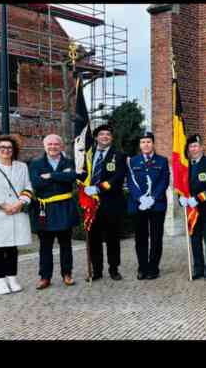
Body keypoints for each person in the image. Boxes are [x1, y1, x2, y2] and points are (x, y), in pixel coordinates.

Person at [29, 134, 85, 290]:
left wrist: (51, 175)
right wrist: (61, 177)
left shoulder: (69, 162)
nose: (53, 147)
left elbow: (73, 177)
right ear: (44, 146)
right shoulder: (36, 163)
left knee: (66, 244)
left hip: (64, 207)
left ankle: (67, 274)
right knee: (45, 246)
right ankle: (45, 277)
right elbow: (37, 183)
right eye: (50, 144)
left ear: (61, 146)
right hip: (44, 210)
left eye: (56, 144)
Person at [0, 135, 33, 294]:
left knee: (12, 248)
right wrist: (3, 205)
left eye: (9, 148)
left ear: (14, 150)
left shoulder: (22, 166)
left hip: (17, 212)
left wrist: (19, 203)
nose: (6, 150)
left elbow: (28, 187)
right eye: (2, 147)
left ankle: (12, 277)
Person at [84, 124, 127, 281]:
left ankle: (114, 269)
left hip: (111, 203)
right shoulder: (88, 155)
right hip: (91, 204)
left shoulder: (119, 155)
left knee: (112, 238)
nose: (104, 137)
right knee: (94, 238)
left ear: (111, 138)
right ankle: (96, 270)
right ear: (96, 138)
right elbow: (82, 174)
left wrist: (98, 188)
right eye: (101, 134)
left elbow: (118, 177)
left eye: (108, 134)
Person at [127, 132, 170, 280]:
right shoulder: (132, 161)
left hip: (157, 205)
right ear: (140, 145)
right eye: (143, 142)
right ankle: (142, 267)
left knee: (156, 237)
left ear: (153, 144)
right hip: (138, 206)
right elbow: (130, 183)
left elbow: (164, 181)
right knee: (141, 238)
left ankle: (153, 267)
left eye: (148, 142)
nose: (146, 144)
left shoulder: (162, 161)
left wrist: (152, 198)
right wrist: (140, 198)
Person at [179, 134, 206, 280]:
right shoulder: (185, 166)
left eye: (196, 145)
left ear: (202, 147)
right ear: (188, 149)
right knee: (195, 242)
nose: (194, 149)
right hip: (192, 212)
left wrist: (197, 199)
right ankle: (198, 268)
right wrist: (181, 199)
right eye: (191, 146)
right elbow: (180, 187)